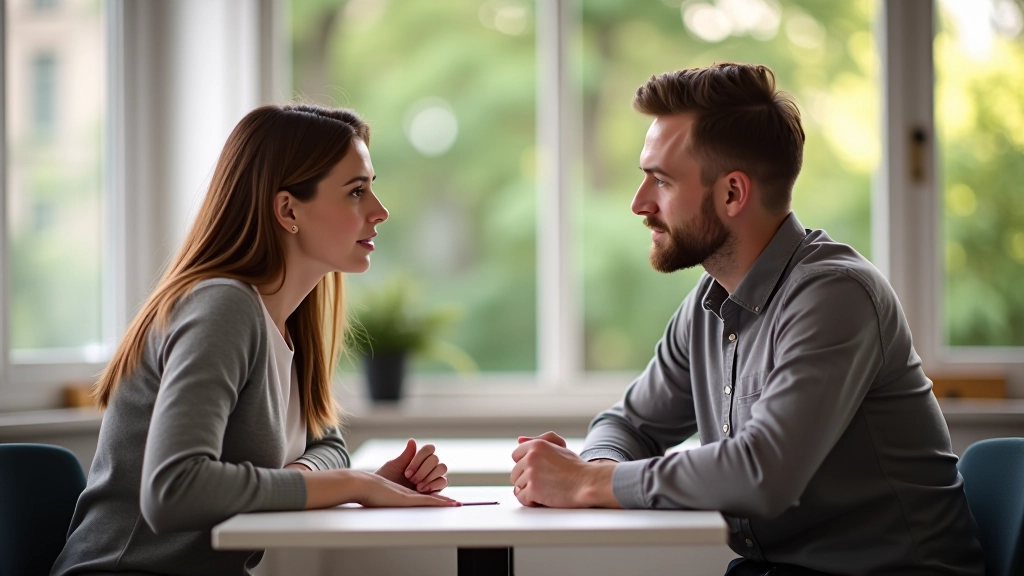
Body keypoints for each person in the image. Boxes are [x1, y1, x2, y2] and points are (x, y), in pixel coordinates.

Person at [511, 64, 985, 576]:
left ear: (733, 193)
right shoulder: (708, 304)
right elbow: (628, 424)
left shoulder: (835, 296)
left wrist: (588, 482)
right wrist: (597, 467)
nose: (639, 203)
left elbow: (763, 473)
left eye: (661, 180)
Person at [52, 104, 457, 576]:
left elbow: (329, 446)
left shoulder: (287, 317)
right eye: (356, 191)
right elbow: (173, 490)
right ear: (288, 209)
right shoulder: (223, 307)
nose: (380, 211)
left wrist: (329, 480)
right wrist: (354, 485)